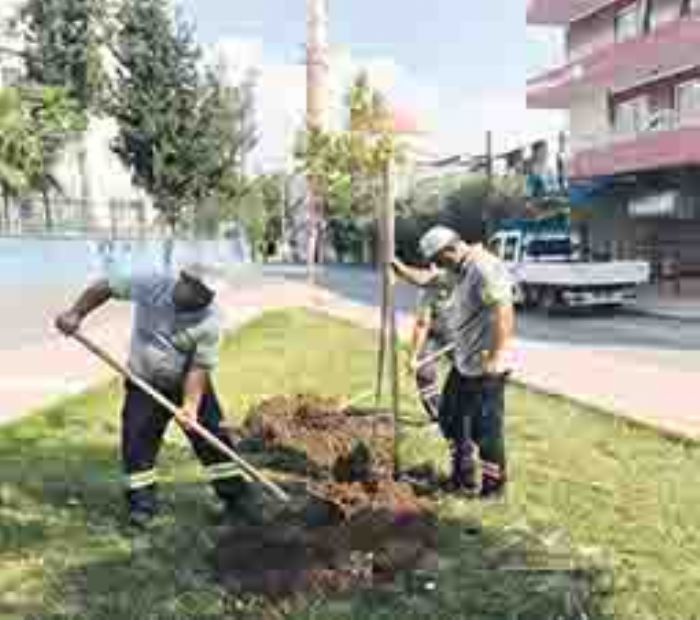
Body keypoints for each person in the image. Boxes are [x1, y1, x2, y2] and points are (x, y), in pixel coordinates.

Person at [55, 264, 258, 528]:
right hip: (143, 381)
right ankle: (142, 508)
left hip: (187, 380)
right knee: (137, 442)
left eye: (209, 296)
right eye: (201, 293)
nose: (206, 301)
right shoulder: (151, 285)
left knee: (212, 439)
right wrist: (75, 313)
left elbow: (200, 367)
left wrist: (190, 406)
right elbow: (103, 287)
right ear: (184, 282)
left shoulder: (210, 320)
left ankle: (236, 499)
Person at [418, 225, 515, 499]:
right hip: (464, 363)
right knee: (449, 416)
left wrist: (495, 359)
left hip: (486, 365)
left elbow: (504, 312)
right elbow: (429, 280)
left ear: (451, 249)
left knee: (486, 429)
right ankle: (463, 476)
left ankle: (493, 489)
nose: (438, 267)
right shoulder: (459, 271)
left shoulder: (483, 268)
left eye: (439, 260)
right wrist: (398, 268)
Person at [391, 258, 457, 422]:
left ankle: (468, 414)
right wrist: (413, 358)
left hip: (461, 335)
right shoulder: (428, 293)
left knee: (467, 373)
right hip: (435, 333)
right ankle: (438, 414)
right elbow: (422, 324)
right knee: (423, 372)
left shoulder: (462, 281)